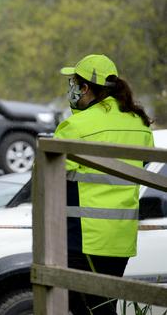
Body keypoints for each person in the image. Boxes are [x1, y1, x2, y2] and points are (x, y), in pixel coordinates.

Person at [54, 54, 154, 315]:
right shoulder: (140, 124)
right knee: (102, 307)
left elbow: (46, 175)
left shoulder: (75, 126)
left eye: (74, 82)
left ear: (86, 88)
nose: (71, 88)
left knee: (83, 309)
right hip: (120, 240)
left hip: (82, 241)